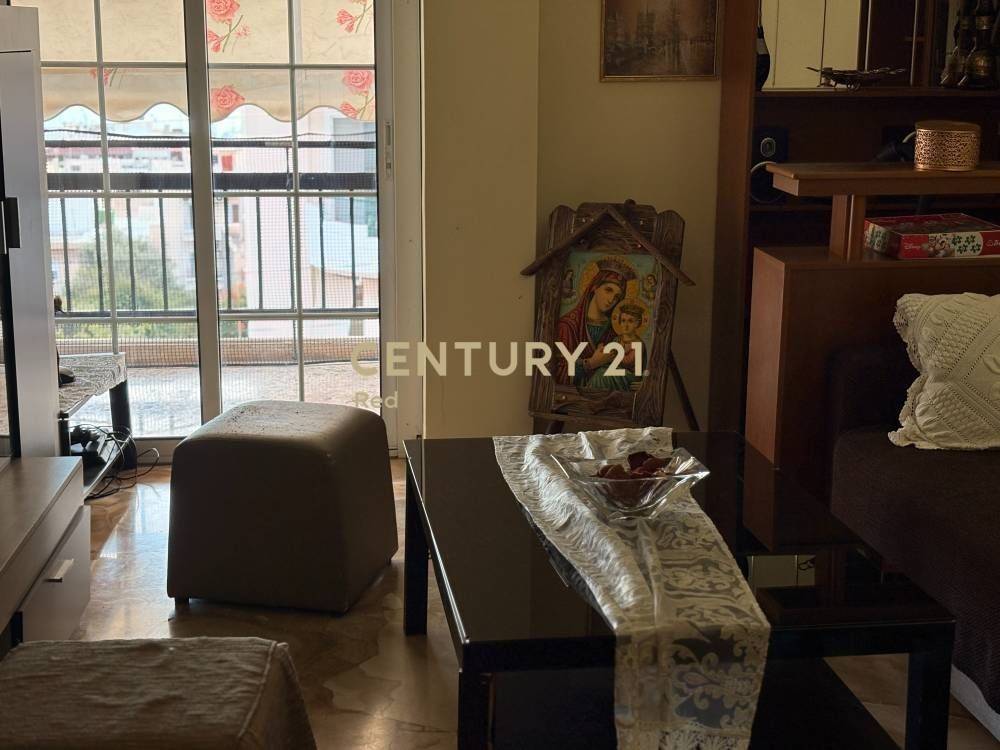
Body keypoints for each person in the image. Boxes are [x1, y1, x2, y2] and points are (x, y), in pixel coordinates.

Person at [554, 257, 636, 386]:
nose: (611, 300)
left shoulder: (614, 329)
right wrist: (591, 363)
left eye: (617, 297)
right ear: (594, 287)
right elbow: (557, 374)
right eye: (608, 290)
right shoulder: (567, 326)